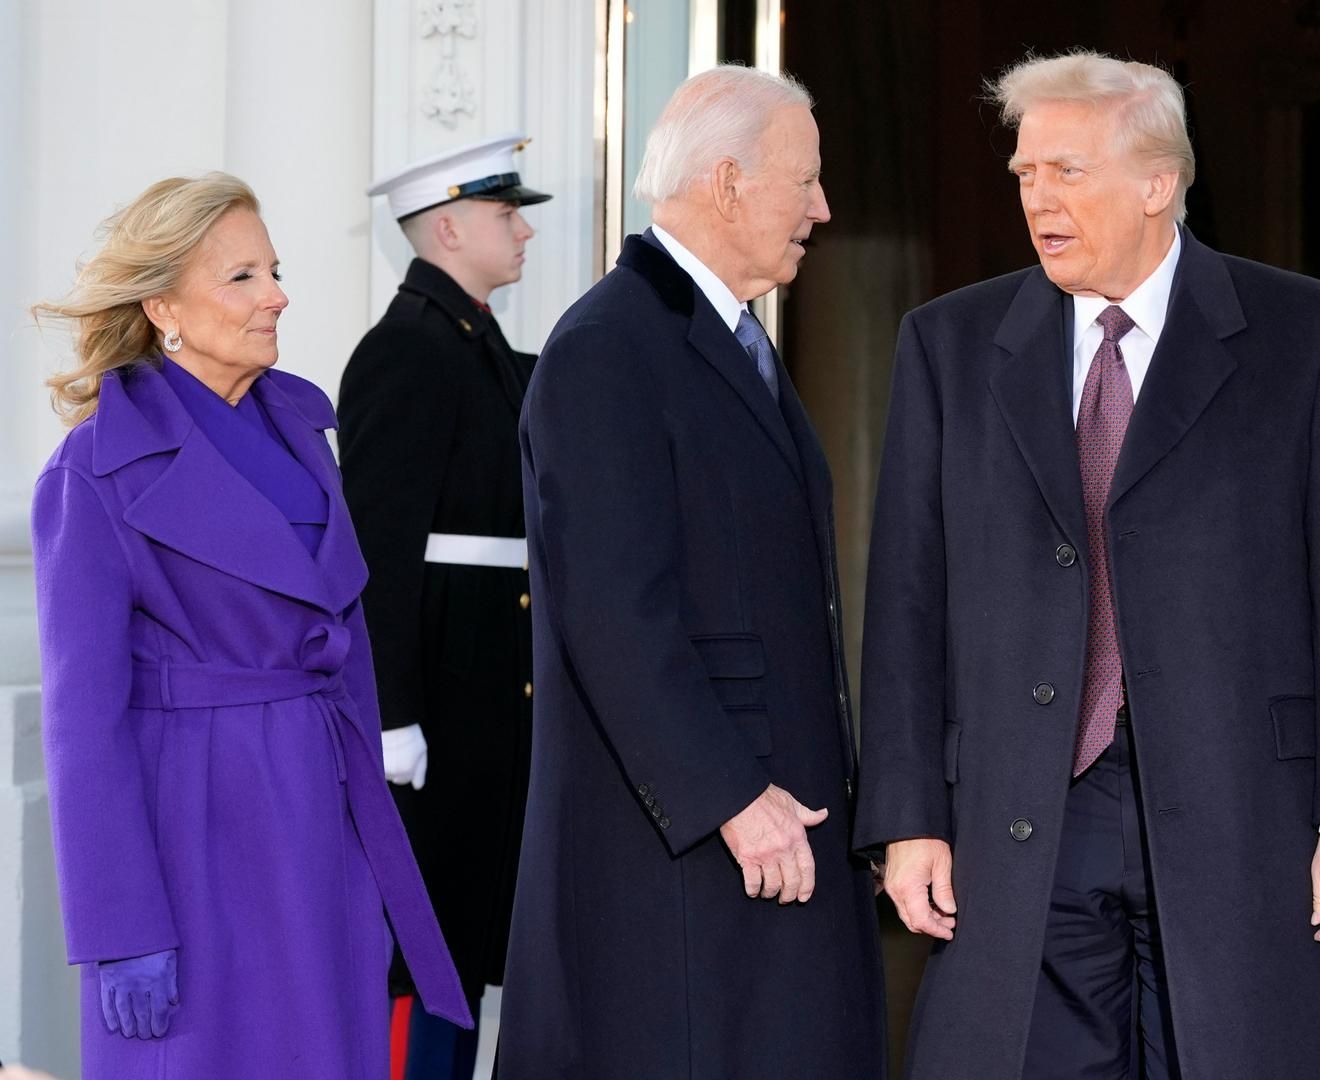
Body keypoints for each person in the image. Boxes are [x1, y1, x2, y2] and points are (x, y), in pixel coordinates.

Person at [856, 51, 1320, 1079]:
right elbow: (905, 601)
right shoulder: (951, 344)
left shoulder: (1307, 333)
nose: (1037, 198)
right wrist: (907, 820)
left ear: (1158, 183)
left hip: (1249, 817)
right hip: (1024, 819)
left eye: (1066, 171)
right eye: (1025, 174)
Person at [29, 174, 468, 1080]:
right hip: (190, 833)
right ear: (163, 307)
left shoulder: (303, 435)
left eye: (274, 270)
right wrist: (121, 927)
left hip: (316, 819)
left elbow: (345, 644)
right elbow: (83, 727)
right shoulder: (94, 470)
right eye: (243, 277)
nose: (277, 295)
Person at [496, 66, 885, 1078]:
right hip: (687, 858)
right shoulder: (606, 349)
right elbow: (614, 612)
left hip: (760, 844)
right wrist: (728, 798)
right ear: (727, 181)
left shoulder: (726, 335)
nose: (823, 208)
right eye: (804, 181)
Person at [340, 134, 547, 1080]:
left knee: (463, 937)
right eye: (508, 216)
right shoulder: (406, 350)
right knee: (424, 945)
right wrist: (393, 714)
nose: (524, 232)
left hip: (484, 695)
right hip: (439, 700)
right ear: (451, 227)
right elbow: (376, 547)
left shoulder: (476, 343)